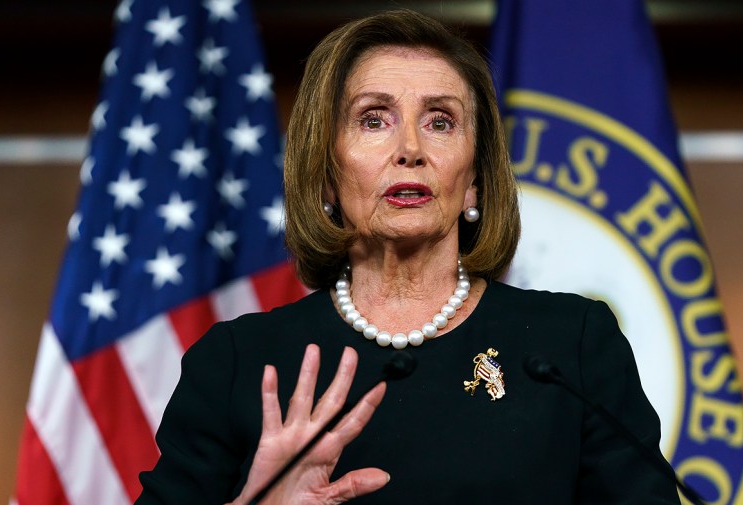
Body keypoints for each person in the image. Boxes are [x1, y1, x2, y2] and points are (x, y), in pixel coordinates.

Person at [136, 9, 681, 505]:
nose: (411, 149)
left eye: (440, 121)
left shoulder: (570, 347)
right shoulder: (240, 363)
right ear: (325, 172)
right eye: (374, 119)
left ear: (474, 180)